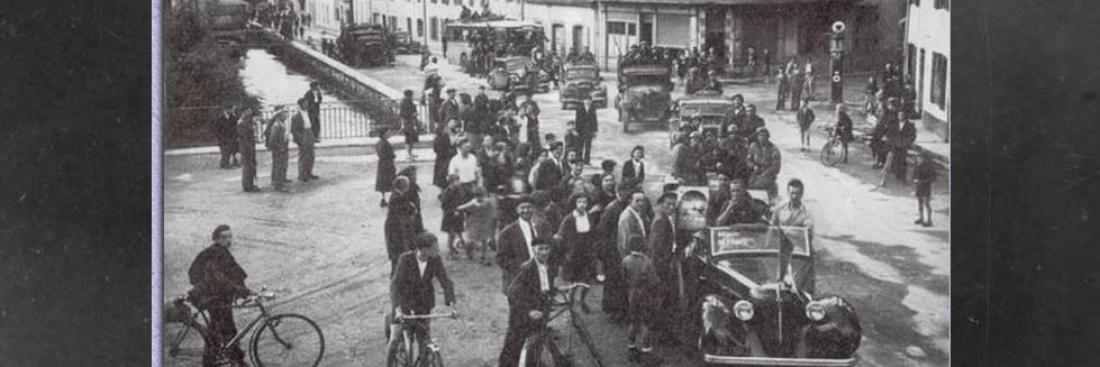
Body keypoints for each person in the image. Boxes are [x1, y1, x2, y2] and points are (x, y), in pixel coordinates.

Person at [188, 225, 252, 367]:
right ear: (216, 239)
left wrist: (244, 290)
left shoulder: (222, 252)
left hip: (217, 296)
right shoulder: (214, 254)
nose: (229, 240)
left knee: (221, 328)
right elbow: (219, 279)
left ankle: (222, 360)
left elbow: (235, 273)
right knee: (224, 329)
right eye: (224, 237)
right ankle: (229, 360)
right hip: (210, 297)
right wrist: (241, 290)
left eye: (230, 236)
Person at [388, 233, 457, 355]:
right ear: (424, 249)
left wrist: (452, 303)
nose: (438, 250)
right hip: (404, 304)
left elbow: (445, 280)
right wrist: (397, 307)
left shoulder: (435, 260)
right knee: (394, 341)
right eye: (435, 248)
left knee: (424, 342)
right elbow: (395, 285)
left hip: (424, 304)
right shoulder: (405, 259)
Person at [498, 238, 556, 367]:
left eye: (547, 249)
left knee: (536, 343)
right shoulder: (527, 268)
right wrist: (529, 311)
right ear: (533, 250)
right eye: (540, 249)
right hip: (522, 314)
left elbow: (546, 286)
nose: (544, 252)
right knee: (514, 346)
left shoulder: (550, 266)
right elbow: (512, 293)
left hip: (540, 311)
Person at [555, 193, 599, 312]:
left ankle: (582, 300)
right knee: (574, 281)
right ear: (575, 203)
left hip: (587, 254)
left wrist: (593, 249)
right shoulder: (569, 218)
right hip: (573, 254)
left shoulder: (589, 216)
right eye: (579, 202)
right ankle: (571, 302)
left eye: (584, 202)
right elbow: (560, 236)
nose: (582, 205)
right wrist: (565, 253)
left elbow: (593, 234)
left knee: (587, 280)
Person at [647, 192, 680, 346]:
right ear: (660, 204)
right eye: (668, 204)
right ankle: (660, 337)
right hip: (661, 269)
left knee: (664, 302)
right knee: (661, 302)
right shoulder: (660, 221)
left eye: (674, 204)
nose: (672, 207)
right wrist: (662, 271)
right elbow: (657, 250)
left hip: (664, 266)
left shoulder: (665, 218)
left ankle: (663, 334)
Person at [621, 235, 659, 355]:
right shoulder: (647, 262)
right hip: (645, 295)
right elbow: (653, 281)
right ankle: (646, 349)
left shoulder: (625, 260)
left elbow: (623, 277)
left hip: (631, 295)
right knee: (645, 322)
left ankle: (631, 346)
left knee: (633, 321)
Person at [497, 198, 542, 294]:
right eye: (522, 208)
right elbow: (501, 259)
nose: (526, 210)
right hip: (518, 278)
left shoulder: (540, 228)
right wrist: (520, 266)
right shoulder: (507, 232)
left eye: (529, 207)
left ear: (533, 209)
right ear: (517, 210)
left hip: (538, 277)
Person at [386, 176, 420, 273]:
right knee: (398, 253)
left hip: (399, 228)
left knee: (400, 253)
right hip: (397, 229)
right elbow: (405, 213)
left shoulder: (398, 196)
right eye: (407, 185)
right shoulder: (397, 198)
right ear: (403, 186)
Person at [457, 186, 497, 265]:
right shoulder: (474, 203)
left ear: (484, 195)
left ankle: (483, 255)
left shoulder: (487, 202)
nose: (479, 198)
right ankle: (469, 254)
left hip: (483, 223)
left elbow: (493, 212)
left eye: (481, 196)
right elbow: (461, 208)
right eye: (477, 196)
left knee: (483, 239)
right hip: (474, 223)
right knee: (470, 240)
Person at [747, 127, 781, 202]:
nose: (761, 137)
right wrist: (753, 166)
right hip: (754, 174)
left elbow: (776, 167)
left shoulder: (773, 149)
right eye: (759, 135)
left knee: (764, 185)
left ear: (767, 137)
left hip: (767, 175)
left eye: (764, 135)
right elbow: (748, 160)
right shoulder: (753, 146)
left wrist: (765, 172)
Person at [439, 174, 469, 259]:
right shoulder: (447, 192)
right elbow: (444, 205)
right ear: (452, 182)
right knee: (451, 233)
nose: (459, 182)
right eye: (457, 180)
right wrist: (453, 211)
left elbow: (462, 200)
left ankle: (455, 247)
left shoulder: (459, 190)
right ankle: (450, 251)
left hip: (458, 215)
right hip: (450, 216)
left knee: (459, 231)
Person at [291, 98, 318, 182]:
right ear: (301, 105)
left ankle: (309, 172)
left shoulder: (309, 113)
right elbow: (294, 129)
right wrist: (300, 139)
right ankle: (302, 174)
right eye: (305, 103)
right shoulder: (296, 115)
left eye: (307, 103)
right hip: (303, 134)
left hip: (309, 133)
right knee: (303, 155)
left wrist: (314, 135)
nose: (307, 105)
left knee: (311, 155)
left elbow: (314, 124)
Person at [264, 107, 291, 192]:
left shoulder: (280, 123)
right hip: (279, 148)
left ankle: (279, 182)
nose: (285, 116)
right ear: (279, 116)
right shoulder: (277, 125)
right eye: (283, 114)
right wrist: (278, 147)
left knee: (280, 165)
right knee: (278, 165)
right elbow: (273, 138)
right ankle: (278, 185)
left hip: (282, 146)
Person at [617, 191, 649, 257]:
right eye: (637, 201)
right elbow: (624, 242)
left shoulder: (638, 214)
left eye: (643, 201)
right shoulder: (627, 217)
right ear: (630, 201)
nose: (641, 204)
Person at [236, 108, 260, 193]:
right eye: (248, 111)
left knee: (251, 166)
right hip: (246, 148)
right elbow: (244, 137)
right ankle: (247, 186)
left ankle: (250, 184)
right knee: (247, 167)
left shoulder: (246, 122)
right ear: (244, 111)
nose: (250, 112)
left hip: (249, 147)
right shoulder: (241, 123)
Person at [912, 153, 937, 227]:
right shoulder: (917, 166)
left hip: (926, 187)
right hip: (919, 187)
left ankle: (929, 220)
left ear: (924, 159)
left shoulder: (929, 167)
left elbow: (933, 178)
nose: (918, 160)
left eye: (920, 158)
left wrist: (922, 181)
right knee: (920, 203)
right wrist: (914, 180)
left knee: (926, 203)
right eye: (917, 158)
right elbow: (914, 175)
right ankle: (921, 218)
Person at [376, 128, 397, 207]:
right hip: (388, 165)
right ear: (384, 134)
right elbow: (388, 154)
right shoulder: (385, 144)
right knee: (391, 181)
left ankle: (383, 198)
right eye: (388, 132)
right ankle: (392, 200)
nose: (390, 133)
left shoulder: (379, 143)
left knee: (383, 183)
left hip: (382, 165)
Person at [575, 99, 598, 163]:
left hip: (589, 130)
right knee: (580, 145)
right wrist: (576, 130)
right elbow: (577, 119)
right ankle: (579, 159)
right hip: (581, 130)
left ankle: (587, 160)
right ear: (584, 101)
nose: (588, 102)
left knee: (588, 146)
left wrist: (595, 130)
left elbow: (595, 120)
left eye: (589, 101)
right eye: (586, 100)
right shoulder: (579, 108)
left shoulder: (593, 109)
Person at [399, 90, 420, 161]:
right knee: (408, 138)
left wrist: (415, 113)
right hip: (407, 122)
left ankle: (410, 153)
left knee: (411, 138)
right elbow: (402, 114)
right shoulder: (403, 103)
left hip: (411, 122)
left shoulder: (409, 102)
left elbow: (414, 109)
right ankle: (408, 154)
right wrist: (412, 115)